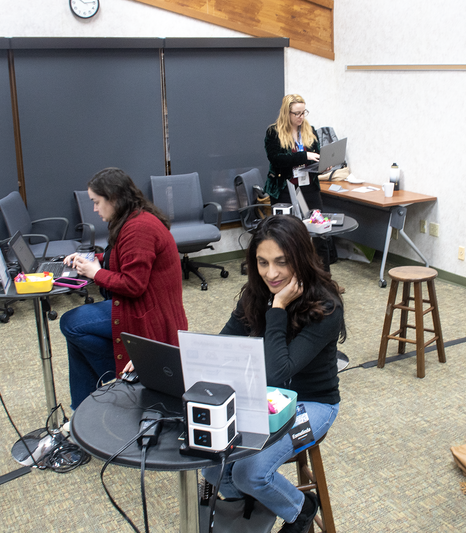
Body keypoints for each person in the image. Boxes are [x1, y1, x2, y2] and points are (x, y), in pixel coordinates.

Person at [204, 215, 345, 533]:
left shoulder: (326, 306)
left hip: (313, 406)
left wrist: (278, 308)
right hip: (265, 400)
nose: (271, 273)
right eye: (263, 262)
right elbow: (223, 344)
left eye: (282, 262)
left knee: (249, 473)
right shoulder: (255, 294)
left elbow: (279, 371)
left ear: (300, 258)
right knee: (214, 468)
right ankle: (259, 508)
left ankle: (300, 508)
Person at [60, 168, 188, 410]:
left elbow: (133, 284)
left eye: (97, 202)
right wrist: (91, 260)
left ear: (114, 198)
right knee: (75, 337)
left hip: (149, 315)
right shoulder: (135, 218)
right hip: (144, 308)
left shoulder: (138, 228)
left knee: (71, 324)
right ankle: (81, 411)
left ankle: (132, 373)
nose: (95, 209)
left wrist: (95, 273)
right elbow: (124, 259)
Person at [264, 94, 323, 208]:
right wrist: (304, 156)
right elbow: (276, 159)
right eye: (296, 113)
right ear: (287, 113)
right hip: (284, 188)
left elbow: (315, 156)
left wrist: (322, 166)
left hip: (309, 188)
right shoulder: (274, 132)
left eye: (303, 112)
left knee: (316, 222)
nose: (301, 117)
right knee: (289, 225)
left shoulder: (310, 130)